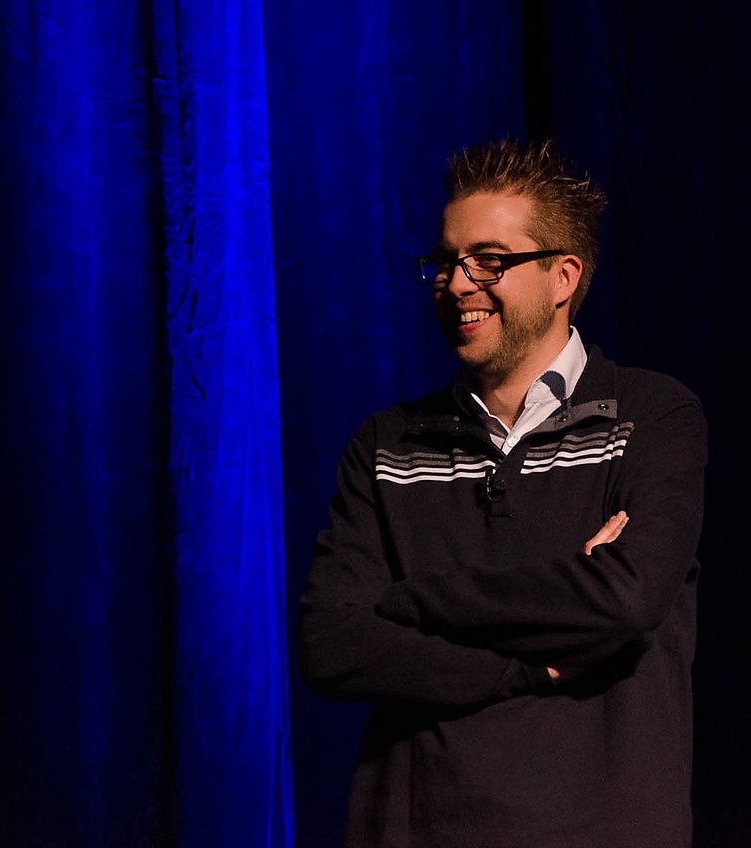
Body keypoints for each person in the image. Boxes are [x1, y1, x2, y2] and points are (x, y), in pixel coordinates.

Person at [298, 138, 707, 848]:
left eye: (490, 261)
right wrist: (530, 661)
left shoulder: (653, 417)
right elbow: (332, 643)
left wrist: (410, 600)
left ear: (562, 276)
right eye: (447, 261)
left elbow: (628, 599)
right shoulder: (386, 445)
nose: (457, 283)